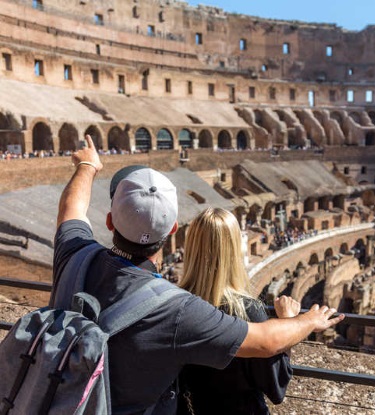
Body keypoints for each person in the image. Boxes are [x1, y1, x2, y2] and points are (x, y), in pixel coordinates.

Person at [52, 135, 344, 415]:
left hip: (56, 399)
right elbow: (265, 341)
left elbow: (70, 210)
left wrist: (87, 167)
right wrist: (306, 320)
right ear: (173, 230)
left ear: (109, 221)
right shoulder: (175, 309)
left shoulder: (75, 256)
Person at [177, 208, 298, 414]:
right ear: (234, 250)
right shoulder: (249, 312)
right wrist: (288, 322)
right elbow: (277, 385)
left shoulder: (174, 304)